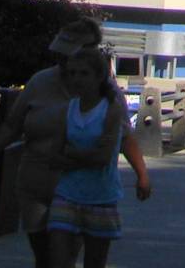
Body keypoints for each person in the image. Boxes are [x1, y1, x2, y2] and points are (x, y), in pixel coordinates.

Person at [0, 15, 147, 268]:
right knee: (44, 258)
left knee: (65, 258)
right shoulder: (40, 81)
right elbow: (12, 126)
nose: (63, 63)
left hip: (80, 189)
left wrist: (142, 175)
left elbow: (124, 138)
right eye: (60, 56)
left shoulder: (108, 95)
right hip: (35, 182)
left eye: (69, 56)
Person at [47, 48, 126, 268]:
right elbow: (54, 155)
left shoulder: (111, 109)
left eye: (83, 73)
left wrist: (72, 155)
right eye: (72, 73)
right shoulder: (68, 109)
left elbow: (102, 157)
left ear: (99, 76)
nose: (76, 79)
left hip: (100, 196)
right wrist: (83, 158)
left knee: (94, 262)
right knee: (57, 261)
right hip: (67, 194)